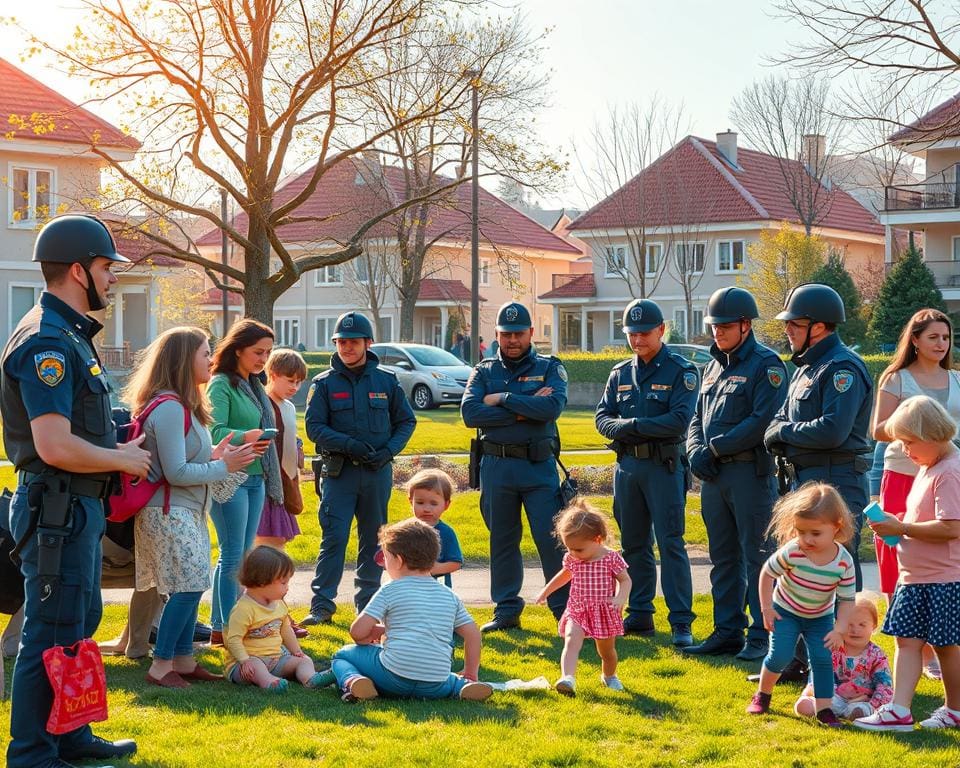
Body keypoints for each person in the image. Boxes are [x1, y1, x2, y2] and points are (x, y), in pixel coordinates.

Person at [1, 214, 151, 768]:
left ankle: (70, 734)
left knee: (79, 624)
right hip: (56, 507)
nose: (112, 278)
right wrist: (123, 457)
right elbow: (54, 444)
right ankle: (33, 755)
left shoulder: (71, 335)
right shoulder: (46, 341)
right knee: (49, 633)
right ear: (76, 269)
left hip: (77, 507)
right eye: (107, 267)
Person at [126, 327, 257, 689]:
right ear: (185, 360)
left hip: (183, 510)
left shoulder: (181, 405)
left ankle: (183, 658)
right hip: (167, 512)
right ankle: (161, 664)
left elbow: (184, 460)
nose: (212, 359)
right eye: (204, 353)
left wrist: (217, 456)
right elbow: (176, 471)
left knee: (193, 583)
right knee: (185, 588)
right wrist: (223, 466)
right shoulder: (168, 407)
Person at [763, 283, 872, 682]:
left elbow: (832, 430)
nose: (788, 329)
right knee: (801, 565)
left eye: (795, 323)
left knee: (838, 569)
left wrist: (785, 432)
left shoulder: (842, 368)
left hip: (836, 477)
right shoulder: (807, 367)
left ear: (820, 326)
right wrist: (784, 431)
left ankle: (844, 661)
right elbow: (778, 422)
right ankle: (797, 657)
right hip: (807, 477)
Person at [685, 288, 786, 661]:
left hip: (749, 474)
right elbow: (697, 417)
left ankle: (762, 633)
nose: (718, 332)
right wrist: (694, 449)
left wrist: (715, 448)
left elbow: (762, 421)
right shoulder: (713, 365)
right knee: (722, 556)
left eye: (725, 326)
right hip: (715, 477)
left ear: (746, 325)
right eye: (714, 326)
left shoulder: (767, 365)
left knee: (758, 555)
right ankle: (727, 630)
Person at [461, 301, 569, 632]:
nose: (512, 340)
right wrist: (526, 407)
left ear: (531, 333)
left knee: (551, 540)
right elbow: (470, 414)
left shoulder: (551, 367)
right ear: (496, 334)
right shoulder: (484, 370)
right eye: (506, 334)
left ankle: (564, 611)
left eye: (518, 333)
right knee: (502, 540)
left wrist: (503, 399)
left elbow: (551, 407)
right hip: (497, 466)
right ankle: (506, 610)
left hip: (537, 468)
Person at [302, 311, 416, 624]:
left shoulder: (386, 381)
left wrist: (389, 451)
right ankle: (322, 605)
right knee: (334, 537)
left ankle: (367, 605)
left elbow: (406, 421)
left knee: (373, 539)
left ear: (368, 343)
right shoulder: (323, 384)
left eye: (354, 342)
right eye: (341, 342)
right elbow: (314, 428)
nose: (347, 348)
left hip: (377, 472)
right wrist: (349, 445)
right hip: (341, 473)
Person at [595, 298, 697, 646]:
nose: (637, 340)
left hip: (663, 466)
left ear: (661, 331)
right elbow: (602, 419)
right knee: (634, 545)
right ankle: (640, 614)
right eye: (631, 334)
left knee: (671, 544)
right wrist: (632, 428)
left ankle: (681, 622)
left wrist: (632, 424)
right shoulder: (620, 372)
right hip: (628, 468)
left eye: (643, 333)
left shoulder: (681, 371)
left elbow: (678, 421)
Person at [855, 395, 960, 731]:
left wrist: (900, 527)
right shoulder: (930, 466)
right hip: (915, 577)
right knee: (907, 641)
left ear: (932, 434)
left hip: (942, 577)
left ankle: (955, 709)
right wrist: (897, 520)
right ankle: (899, 709)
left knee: (945, 645)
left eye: (909, 441)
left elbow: (951, 527)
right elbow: (928, 518)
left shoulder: (950, 471)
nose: (904, 449)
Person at [870, 308, 959, 680]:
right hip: (904, 475)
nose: (941, 344)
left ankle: (939, 646)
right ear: (916, 340)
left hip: (944, 473)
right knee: (898, 558)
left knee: (940, 559)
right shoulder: (896, 378)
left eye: (946, 337)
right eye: (933, 337)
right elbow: (878, 429)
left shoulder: (956, 378)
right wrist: (915, 429)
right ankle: (911, 648)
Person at [330, 518, 493, 702]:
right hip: (435, 683)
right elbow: (473, 634)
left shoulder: (389, 589)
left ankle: (354, 681)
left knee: (341, 656)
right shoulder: (449, 595)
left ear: (398, 560)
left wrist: (367, 637)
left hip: (393, 678)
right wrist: (471, 672)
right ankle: (464, 686)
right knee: (450, 680)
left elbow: (357, 632)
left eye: (386, 558)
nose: (384, 564)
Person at [745, 482, 856, 726]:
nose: (806, 539)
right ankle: (763, 694)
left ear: (836, 526)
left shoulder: (844, 562)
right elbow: (767, 573)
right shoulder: (793, 551)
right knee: (780, 655)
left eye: (815, 533)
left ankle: (824, 708)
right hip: (786, 612)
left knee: (822, 659)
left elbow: (847, 599)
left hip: (820, 618)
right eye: (800, 531)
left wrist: (840, 628)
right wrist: (766, 608)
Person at [206, 319, 278, 645]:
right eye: (257, 352)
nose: (263, 358)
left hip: (256, 476)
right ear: (237, 350)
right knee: (233, 555)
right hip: (230, 478)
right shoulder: (221, 383)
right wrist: (246, 436)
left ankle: (223, 624)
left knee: (241, 554)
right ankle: (226, 629)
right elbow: (214, 432)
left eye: (267, 352)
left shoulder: (253, 384)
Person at [535, 499, 631, 696]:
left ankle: (609, 676)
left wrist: (621, 597)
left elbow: (626, 580)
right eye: (569, 548)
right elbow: (564, 575)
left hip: (603, 611)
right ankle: (567, 678)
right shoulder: (573, 559)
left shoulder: (610, 558)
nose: (573, 554)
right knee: (570, 641)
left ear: (597, 539)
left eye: (578, 549)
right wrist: (546, 591)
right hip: (577, 609)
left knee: (606, 653)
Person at [224, 546, 332, 691]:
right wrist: (244, 661)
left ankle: (311, 679)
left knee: (304, 661)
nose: (287, 587)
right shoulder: (244, 609)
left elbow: (286, 630)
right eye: (283, 583)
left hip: (276, 659)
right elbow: (233, 639)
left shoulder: (279, 604)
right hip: (246, 665)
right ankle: (269, 683)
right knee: (257, 666)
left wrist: (296, 651)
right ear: (262, 581)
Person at [793, 595, 892, 720]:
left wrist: (874, 702)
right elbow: (821, 673)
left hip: (862, 699)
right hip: (833, 696)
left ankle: (857, 713)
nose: (855, 630)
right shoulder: (833, 649)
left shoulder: (877, 656)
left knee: (862, 709)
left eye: (862, 624)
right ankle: (816, 707)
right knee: (810, 705)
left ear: (874, 626)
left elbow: (885, 685)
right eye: (849, 624)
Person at [255, 349, 308, 552]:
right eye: (290, 380)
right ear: (273, 374)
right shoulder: (261, 404)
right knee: (266, 543)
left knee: (277, 544)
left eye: (299, 382)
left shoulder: (289, 407)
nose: (295, 387)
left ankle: (275, 582)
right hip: (268, 486)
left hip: (286, 483)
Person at [404, 469, 463, 587]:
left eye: (433, 503)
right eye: (420, 503)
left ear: (446, 505)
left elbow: (456, 563)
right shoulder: (405, 531)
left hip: (438, 590)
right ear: (411, 502)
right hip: (408, 588)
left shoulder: (446, 533)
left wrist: (435, 569)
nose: (426, 509)